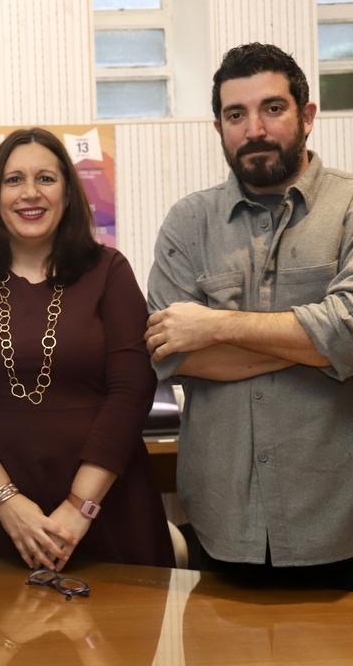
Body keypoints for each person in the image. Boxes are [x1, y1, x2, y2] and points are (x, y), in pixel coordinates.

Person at [145, 43, 353, 589]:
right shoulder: (189, 222)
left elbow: (349, 329)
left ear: (307, 115)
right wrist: (314, 343)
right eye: (235, 115)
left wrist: (216, 324)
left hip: (337, 524)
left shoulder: (350, 208)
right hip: (222, 523)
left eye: (272, 108)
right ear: (219, 127)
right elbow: (175, 349)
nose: (254, 128)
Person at [0, 128, 173, 571]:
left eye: (45, 178)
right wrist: (8, 504)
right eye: (13, 180)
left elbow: (131, 391)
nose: (30, 193)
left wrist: (78, 509)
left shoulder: (109, 272)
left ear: (68, 190)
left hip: (106, 513)